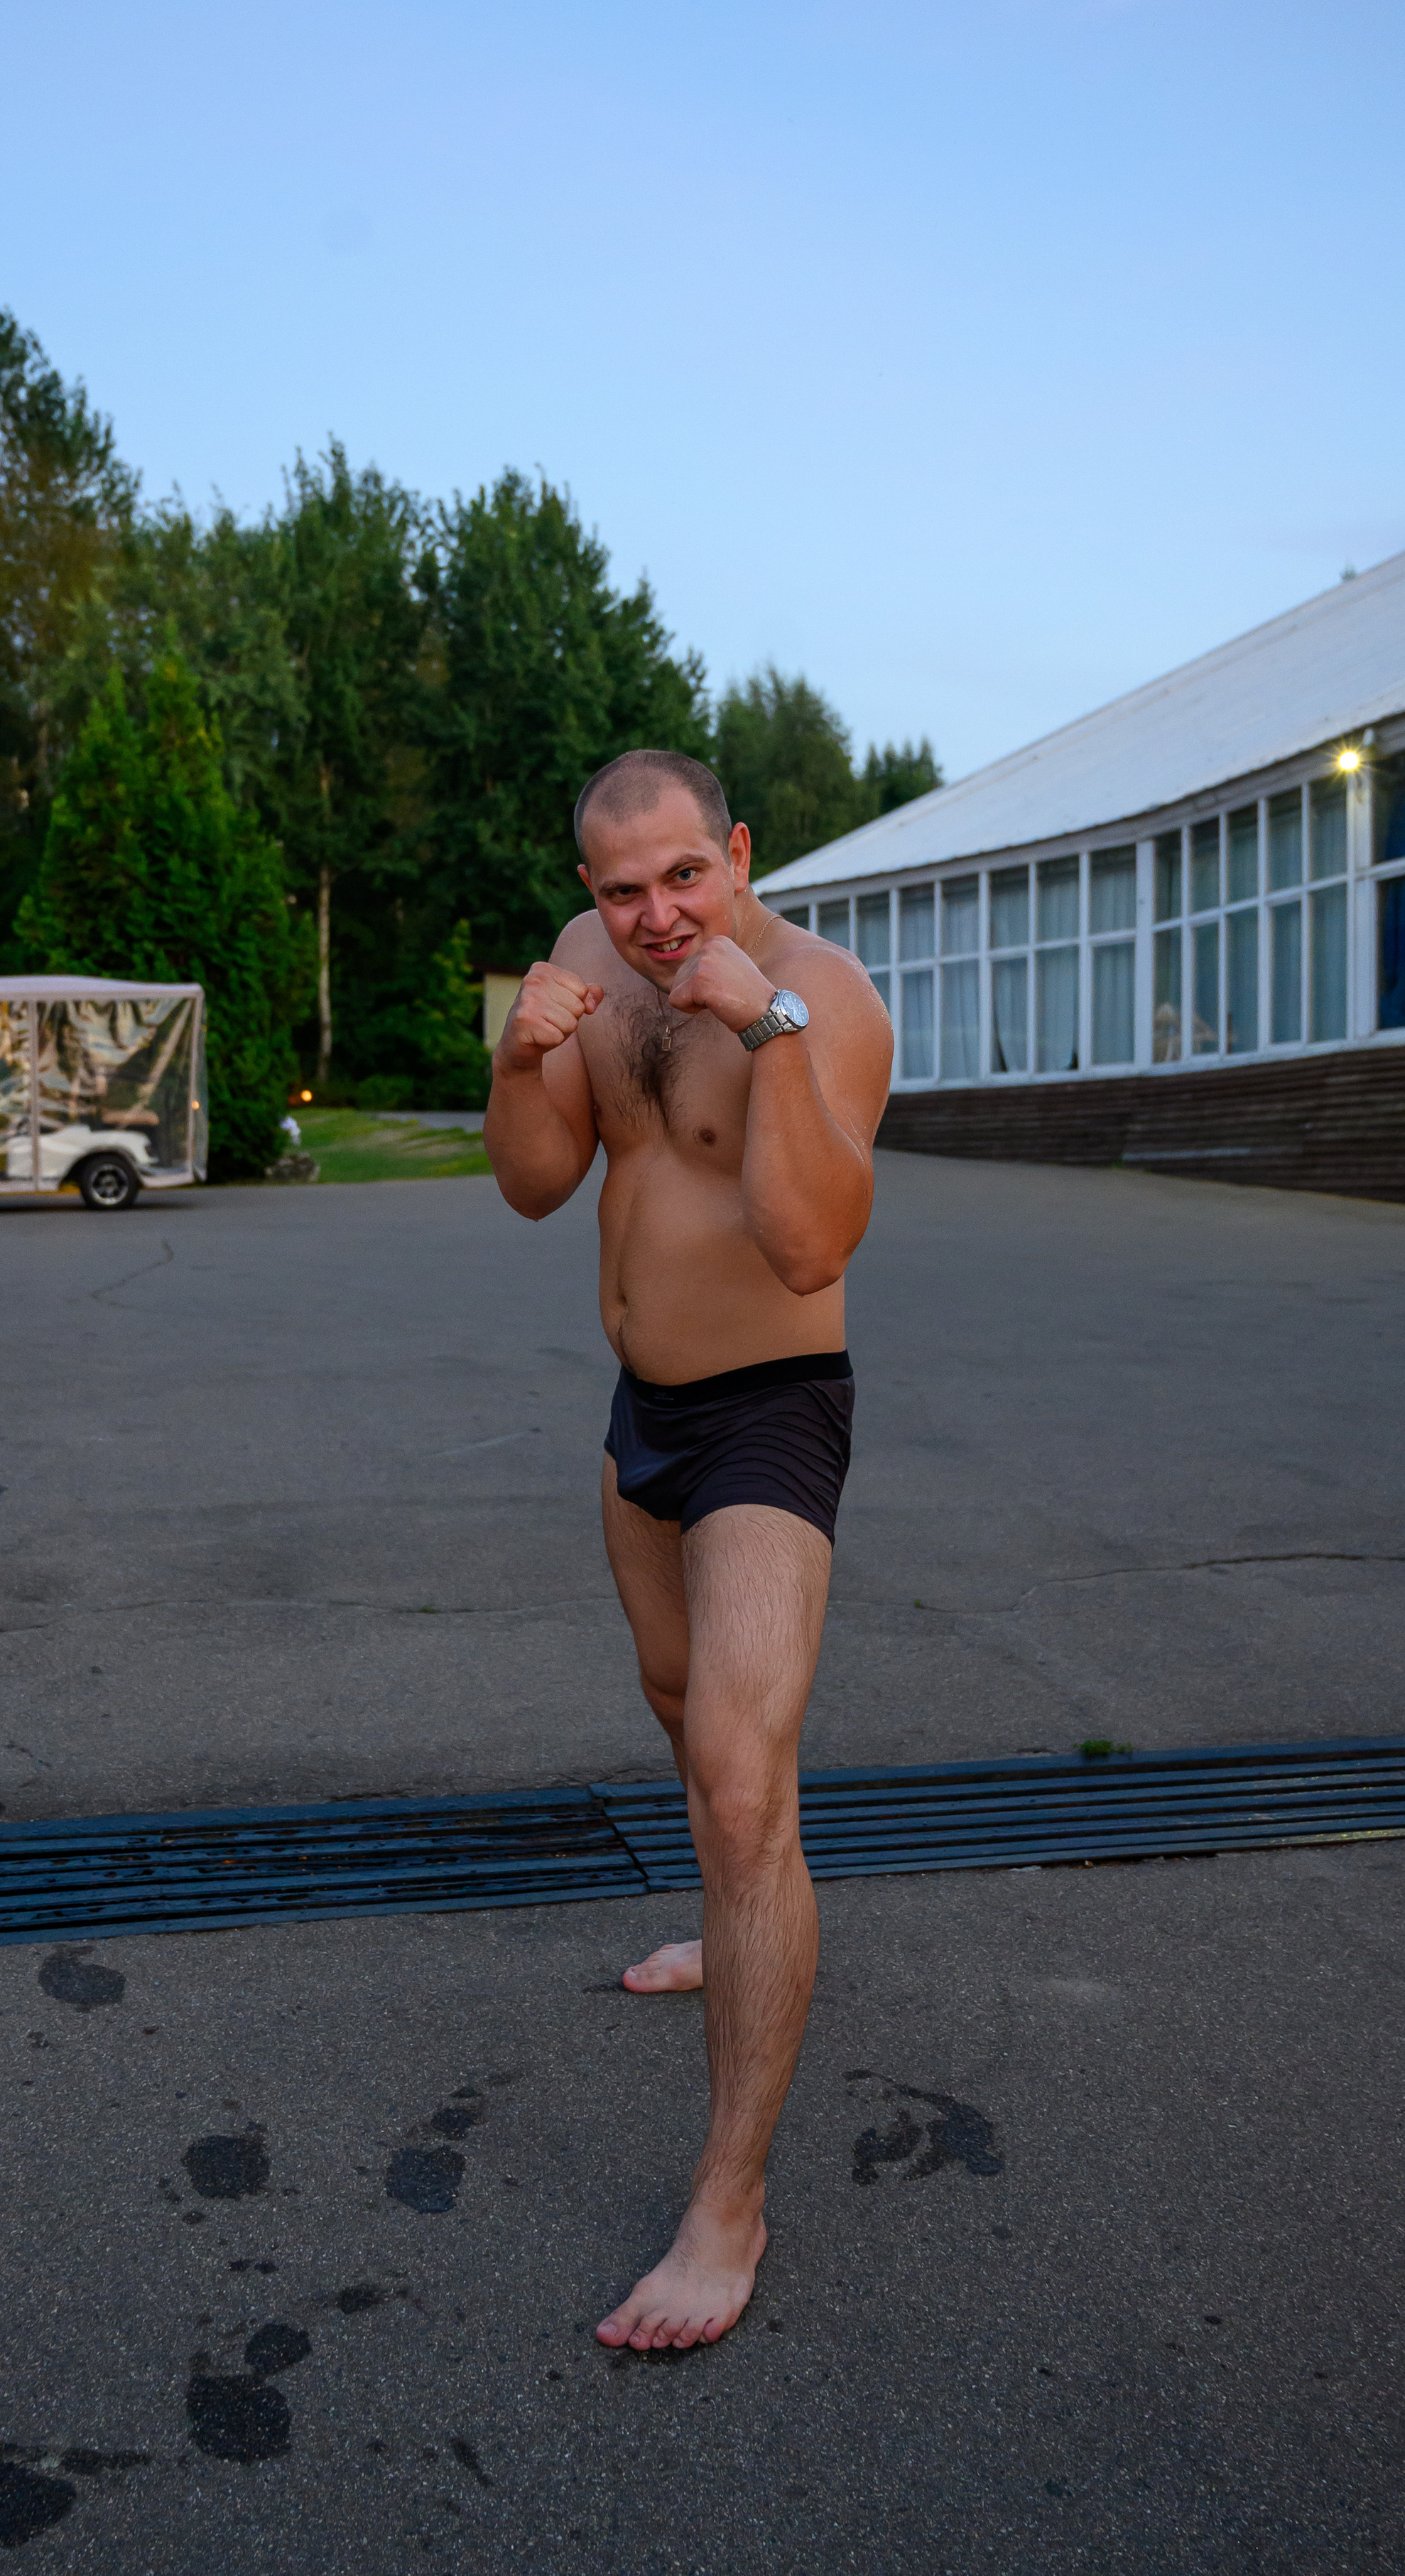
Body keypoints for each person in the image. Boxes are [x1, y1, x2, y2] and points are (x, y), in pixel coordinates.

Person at [484, 746, 892, 2354]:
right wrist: (521, 1062)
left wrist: (760, 1025)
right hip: (636, 1414)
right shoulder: (584, 971)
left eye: (681, 878)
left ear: (732, 849)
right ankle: (731, 1917)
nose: (654, 918)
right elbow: (533, 1189)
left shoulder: (824, 995)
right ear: (586, 889)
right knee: (674, 1705)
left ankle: (728, 2202)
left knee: (739, 1775)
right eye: (618, 890)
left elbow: (805, 1247)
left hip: (770, 1413)